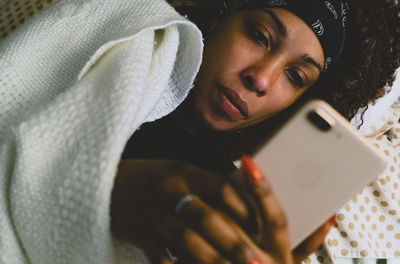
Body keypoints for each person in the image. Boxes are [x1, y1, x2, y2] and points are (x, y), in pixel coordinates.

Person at [0, 0, 398, 264]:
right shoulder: (133, 40)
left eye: (294, 76)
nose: (260, 78)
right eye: (259, 36)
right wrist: (107, 191)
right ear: (225, 12)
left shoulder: (232, 204)